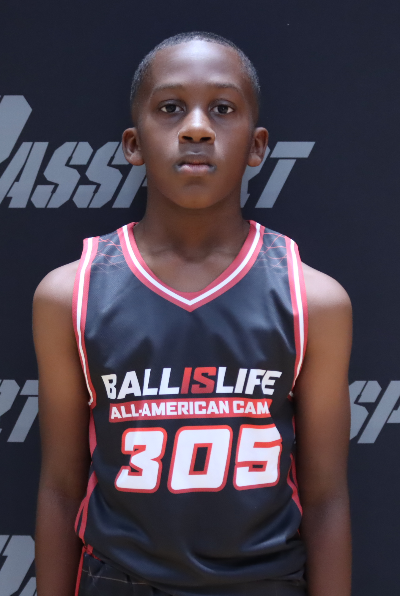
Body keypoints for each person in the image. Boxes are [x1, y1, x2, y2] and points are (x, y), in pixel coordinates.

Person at [33, 32, 352, 596]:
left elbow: (325, 499)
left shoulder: (313, 301)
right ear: (134, 144)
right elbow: (61, 489)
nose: (197, 128)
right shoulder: (70, 294)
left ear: (257, 147)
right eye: (171, 108)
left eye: (222, 109)